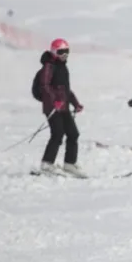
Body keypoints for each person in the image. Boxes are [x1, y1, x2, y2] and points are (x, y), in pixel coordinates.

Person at [36, 38, 86, 177]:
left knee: (73, 133)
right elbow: (44, 86)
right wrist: (55, 101)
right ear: (54, 51)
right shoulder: (49, 66)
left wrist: (76, 103)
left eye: (67, 52)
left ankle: (69, 164)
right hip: (52, 107)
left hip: (63, 107)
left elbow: (66, 90)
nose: (64, 55)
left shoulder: (63, 66)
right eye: (61, 52)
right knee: (57, 134)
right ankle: (46, 164)